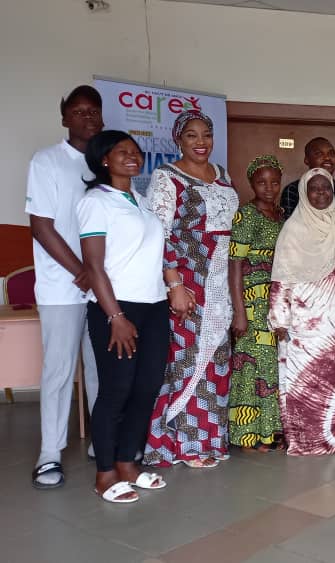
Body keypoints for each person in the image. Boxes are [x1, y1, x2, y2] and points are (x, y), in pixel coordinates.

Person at [77, 130, 172, 502]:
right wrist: (115, 315)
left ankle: (128, 463)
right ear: (104, 159)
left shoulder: (142, 201)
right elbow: (94, 266)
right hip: (115, 308)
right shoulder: (95, 202)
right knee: (116, 389)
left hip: (154, 306)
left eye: (136, 152)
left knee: (146, 387)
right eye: (122, 152)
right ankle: (105, 473)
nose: (133, 156)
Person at [144, 110, 239, 468]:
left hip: (221, 281)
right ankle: (182, 443)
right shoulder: (167, 177)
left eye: (206, 135)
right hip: (189, 280)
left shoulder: (223, 175)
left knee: (217, 359)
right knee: (187, 360)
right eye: (191, 135)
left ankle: (211, 439)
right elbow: (159, 234)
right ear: (178, 140)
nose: (201, 142)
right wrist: (174, 285)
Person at [25, 85, 102, 489]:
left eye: (94, 111)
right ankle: (49, 454)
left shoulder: (104, 163)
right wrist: (82, 272)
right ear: (65, 118)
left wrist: (98, 278)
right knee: (58, 371)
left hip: (101, 288)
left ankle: (102, 443)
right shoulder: (47, 161)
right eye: (79, 111)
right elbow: (41, 227)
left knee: (101, 368)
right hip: (62, 289)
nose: (88, 117)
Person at [269, 168, 335, 455]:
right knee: (308, 378)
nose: (321, 193)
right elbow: (281, 278)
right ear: (304, 193)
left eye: (326, 188)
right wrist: (279, 318)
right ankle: (307, 439)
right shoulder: (293, 229)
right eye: (314, 188)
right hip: (305, 318)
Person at [228, 155, 285, 452]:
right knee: (252, 366)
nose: (269, 188)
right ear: (251, 183)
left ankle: (270, 430)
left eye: (274, 182)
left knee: (271, 366)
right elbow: (235, 264)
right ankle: (248, 434)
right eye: (262, 182)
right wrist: (239, 312)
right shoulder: (246, 215)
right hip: (252, 300)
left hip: (275, 299)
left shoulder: (281, 215)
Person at [279, 137, 335, 220]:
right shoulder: (292, 190)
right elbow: (290, 225)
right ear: (307, 160)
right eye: (319, 154)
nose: (327, 158)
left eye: (331, 153)